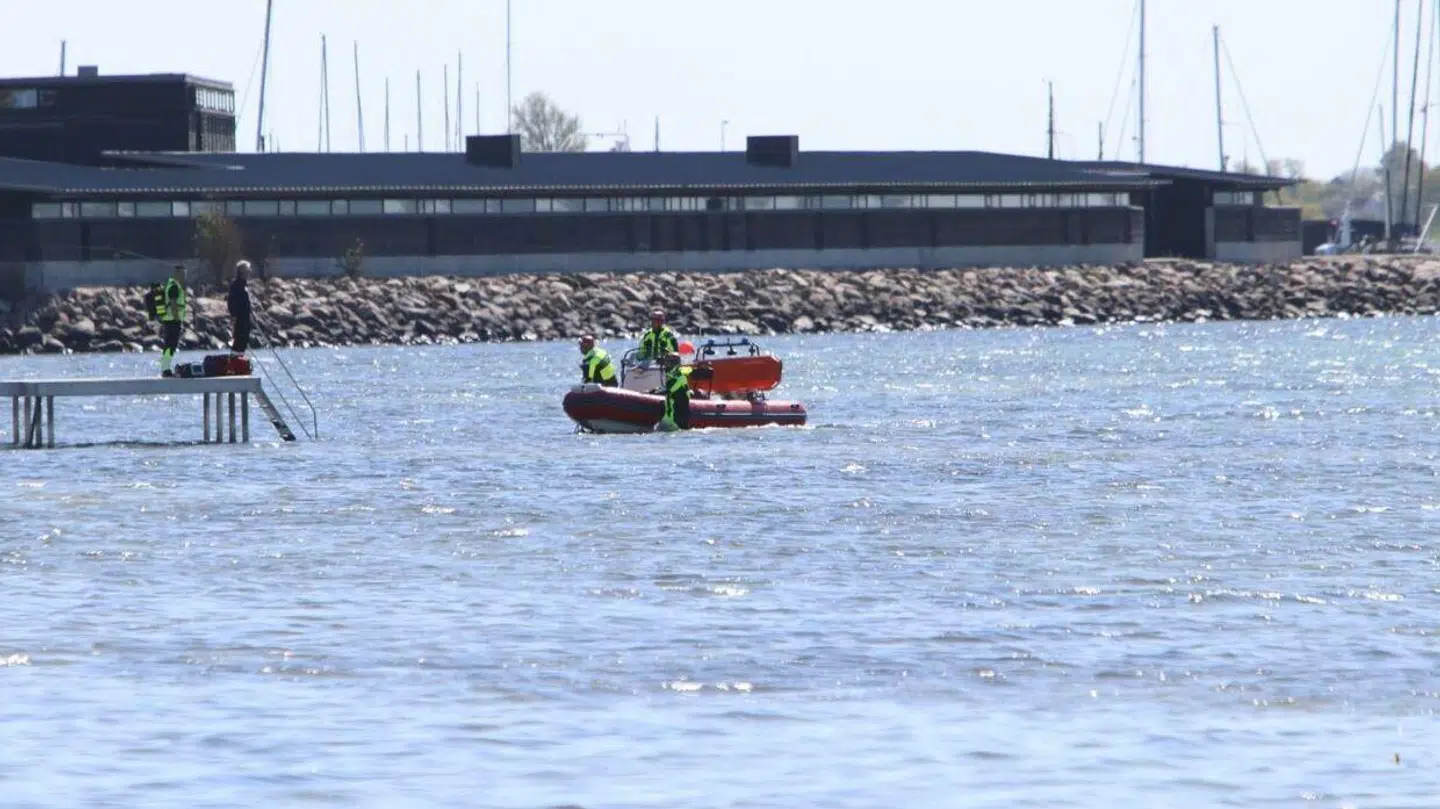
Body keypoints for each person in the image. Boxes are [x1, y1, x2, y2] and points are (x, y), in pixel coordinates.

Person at [158, 263, 187, 377]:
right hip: (172, 320)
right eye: (182, 274)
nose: (184, 276)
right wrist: (177, 319)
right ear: (177, 274)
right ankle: (165, 369)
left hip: (170, 320)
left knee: (169, 345)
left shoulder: (172, 284)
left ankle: (165, 368)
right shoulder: (174, 286)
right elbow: (174, 304)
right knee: (170, 345)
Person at [657, 351, 691, 431]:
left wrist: (654, 392)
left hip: (676, 421)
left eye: (668, 363)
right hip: (668, 420)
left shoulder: (680, 377)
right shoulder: (672, 376)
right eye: (666, 363)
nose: (666, 365)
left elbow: (669, 390)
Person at [228, 259, 253, 355]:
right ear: (242, 271)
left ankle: (239, 361)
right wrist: (234, 315)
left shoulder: (244, 284)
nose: (250, 272)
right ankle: (234, 363)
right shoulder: (236, 285)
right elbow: (231, 301)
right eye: (248, 270)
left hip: (246, 318)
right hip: (239, 319)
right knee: (239, 341)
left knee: (244, 341)